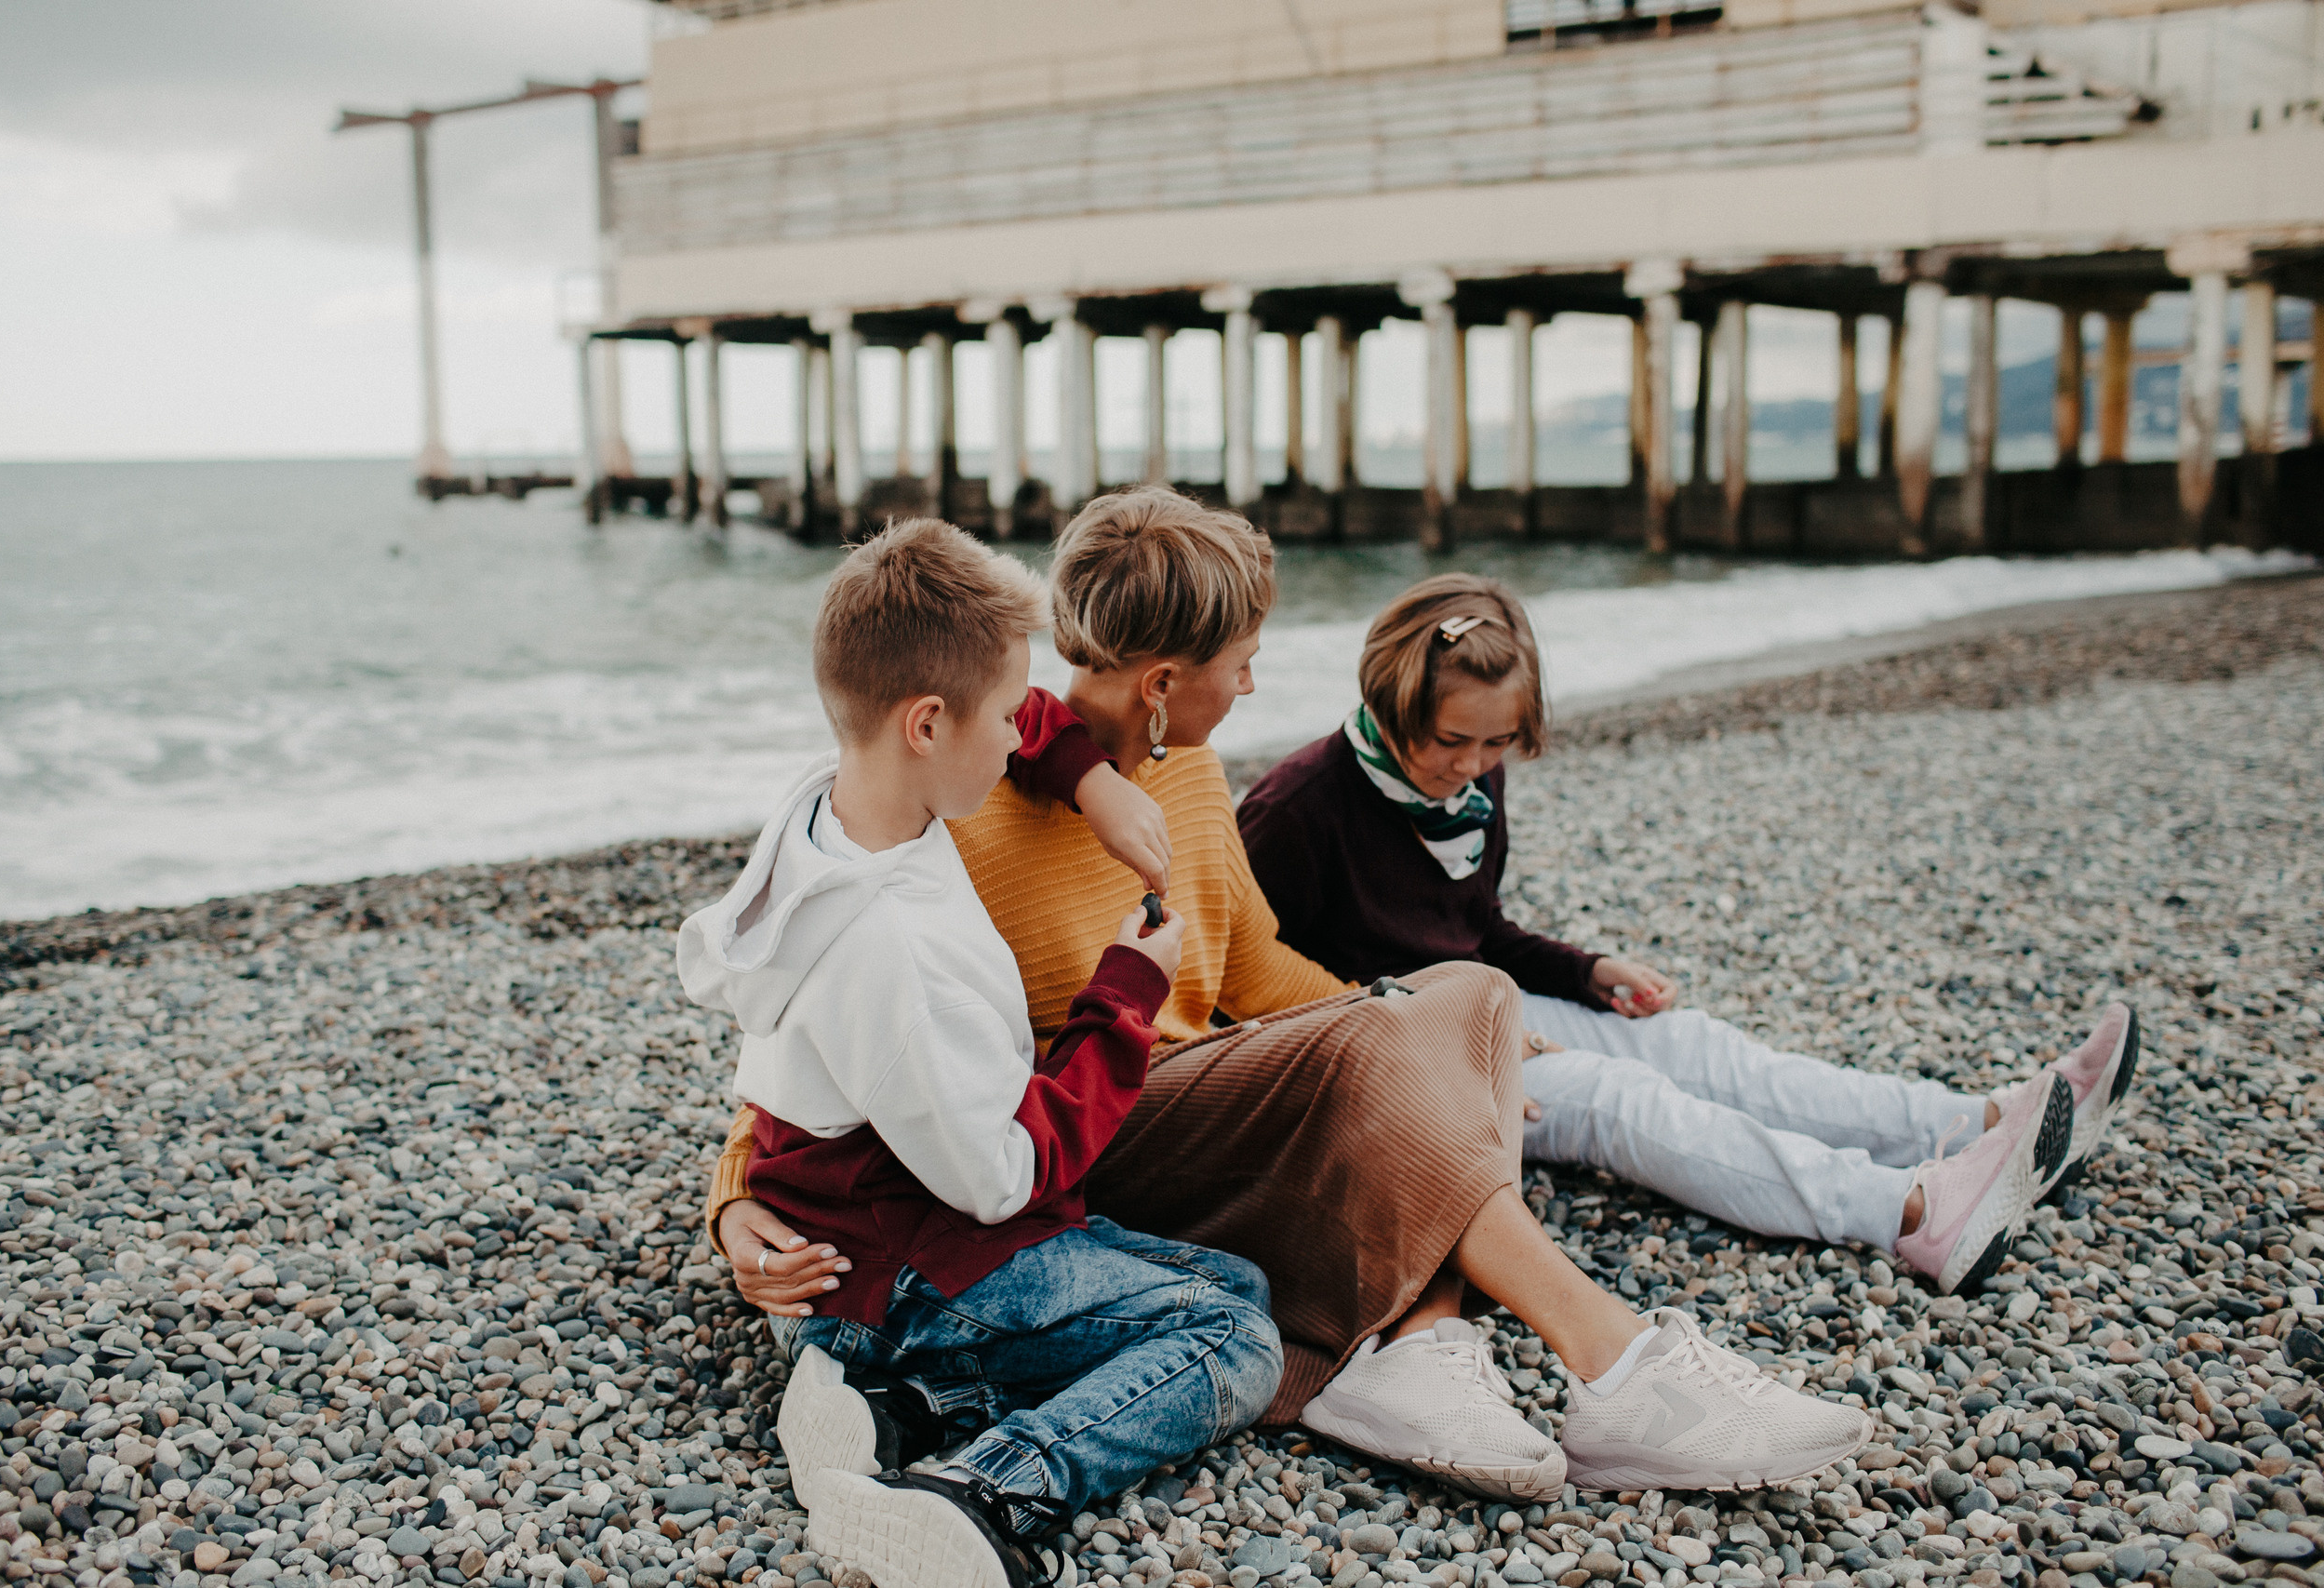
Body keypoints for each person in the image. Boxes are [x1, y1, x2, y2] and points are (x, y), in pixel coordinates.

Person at [714, 487, 1874, 1501]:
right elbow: (831, 1008)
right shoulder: (964, 797)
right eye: (1242, 663)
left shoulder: (1185, 771)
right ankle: (1617, 1367)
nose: (1256, 683)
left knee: (1467, 999)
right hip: (1089, 1137)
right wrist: (733, 1199)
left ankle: (1423, 1347)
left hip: (1195, 1101)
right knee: (1398, 1033)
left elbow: (1259, 966)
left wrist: (1422, 1044)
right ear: (1165, 683)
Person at [1236, 572, 2142, 1301]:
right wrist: (1434, 1029)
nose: (1472, 767)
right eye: (1450, 742)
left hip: (1481, 1010)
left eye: (1498, 743)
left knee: (1687, 1044)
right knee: (1621, 1098)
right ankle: (1909, 1212)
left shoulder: (1465, 788)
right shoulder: (1297, 808)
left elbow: (1473, 932)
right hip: (1387, 1057)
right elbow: (1249, 995)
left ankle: (1980, 1125)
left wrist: (1587, 970)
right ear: (1390, 699)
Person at [676, 518, 1282, 1588]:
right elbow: (1003, 1179)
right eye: (1003, 719)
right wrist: (1124, 996)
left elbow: (1037, 714)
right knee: (1235, 1337)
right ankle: (986, 1492)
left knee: (1232, 1276)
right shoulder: (891, 949)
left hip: (855, 1235)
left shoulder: (835, 805)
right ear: (926, 723)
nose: (1019, 741)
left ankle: (902, 1407)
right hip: (915, 1266)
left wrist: (1090, 781)